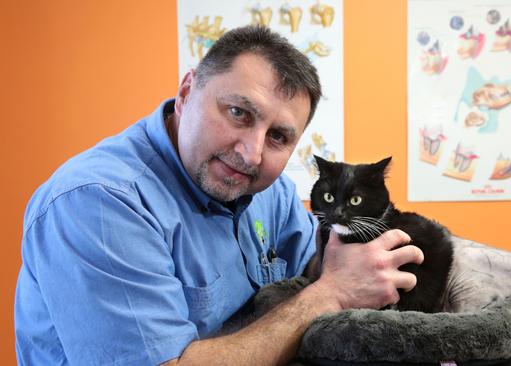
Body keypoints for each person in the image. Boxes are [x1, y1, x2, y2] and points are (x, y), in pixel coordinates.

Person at [14, 26, 423, 366]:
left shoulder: (271, 191)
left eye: (278, 136)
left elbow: (316, 271)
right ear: (187, 90)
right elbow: (325, 289)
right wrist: (331, 294)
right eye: (238, 113)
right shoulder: (99, 202)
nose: (252, 153)